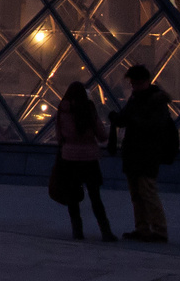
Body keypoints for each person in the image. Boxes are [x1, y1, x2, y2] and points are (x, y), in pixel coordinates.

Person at [109, 64, 172, 243]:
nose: (133, 87)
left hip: (147, 153)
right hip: (134, 153)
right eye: (132, 84)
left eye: (135, 83)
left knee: (147, 192)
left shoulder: (156, 101)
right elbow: (125, 118)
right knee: (136, 193)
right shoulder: (136, 98)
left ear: (146, 82)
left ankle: (159, 230)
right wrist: (117, 119)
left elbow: (155, 126)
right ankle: (142, 228)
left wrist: (132, 120)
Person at [55, 82, 116, 241]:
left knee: (72, 198)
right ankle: (106, 231)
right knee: (95, 197)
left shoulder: (62, 109)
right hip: (89, 158)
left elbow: (59, 136)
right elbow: (101, 135)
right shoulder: (89, 108)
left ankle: (77, 231)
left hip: (69, 158)